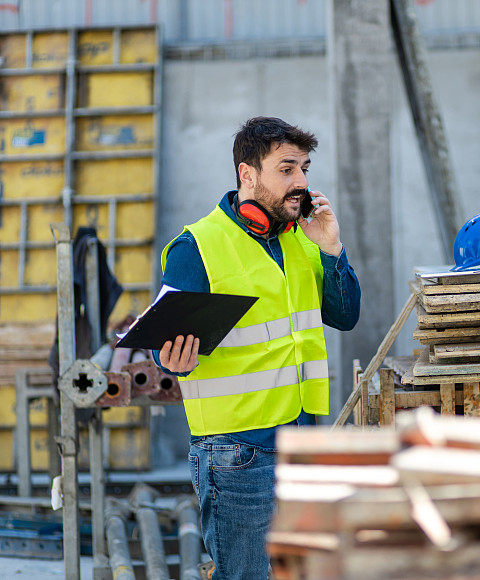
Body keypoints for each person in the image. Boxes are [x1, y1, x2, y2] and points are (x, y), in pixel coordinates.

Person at [155, 116, 360, 579]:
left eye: (304, 168)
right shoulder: (198, 246)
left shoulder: (301, 239)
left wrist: (331, 248)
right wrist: (169, 360)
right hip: (237, 455)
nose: (302, 183)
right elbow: (165, 342)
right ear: (248, 175)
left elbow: (345, 317)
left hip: (302, 440)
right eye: (287, 169)